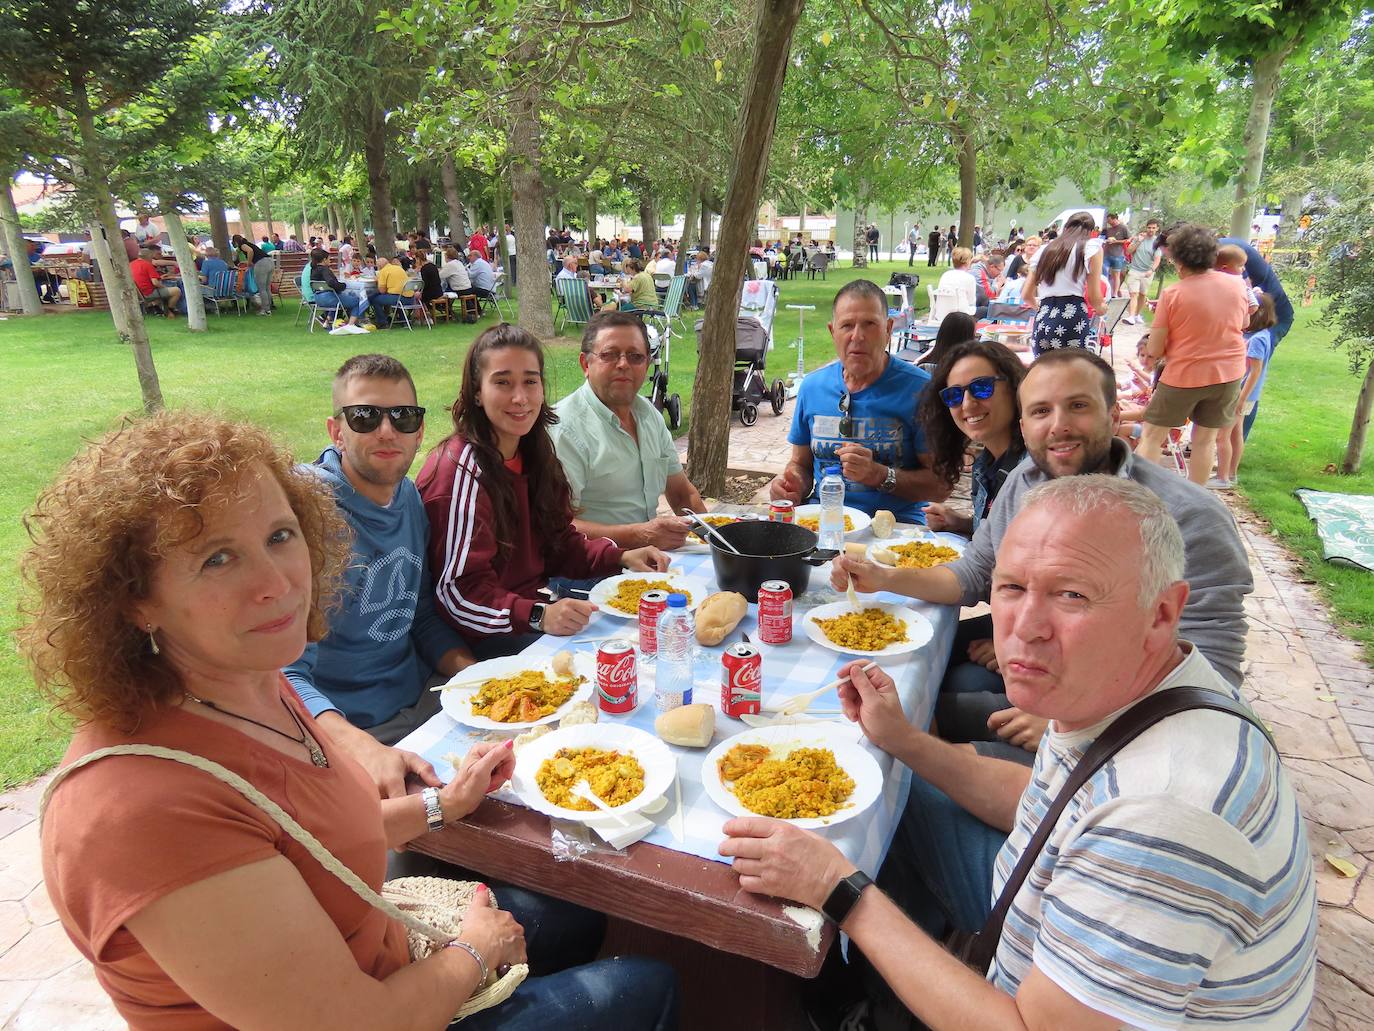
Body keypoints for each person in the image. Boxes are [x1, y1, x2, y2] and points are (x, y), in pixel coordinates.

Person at [25, 410, 680, 1031]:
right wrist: (474, 953)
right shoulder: (141, 811)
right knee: (651, 980)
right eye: (216, 557)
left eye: (280, 536)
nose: (278, 583)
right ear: (135, 600)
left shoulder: (248, 680)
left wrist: (443, 805)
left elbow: (312, 837)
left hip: (383, 952)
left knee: (577, 912)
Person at [725, 476, 1315, 1031]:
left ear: (1162, 612)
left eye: (1073, 594)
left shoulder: (1166, 817)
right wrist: (902, 740)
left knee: (862, 853)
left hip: (1031, 1010)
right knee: (901, 786)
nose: (1025, 626)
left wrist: (840, 890)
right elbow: (1047, 805)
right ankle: (883, 1002)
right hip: (1042, 924)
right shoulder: (1127, 685)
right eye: (1011, 587)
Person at [833, 348, 1253, 757]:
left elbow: (1211, 673)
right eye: (1040, 411)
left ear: (1114, 415)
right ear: (1024, 423)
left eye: (1077, 406)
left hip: (1125, 733)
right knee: (916, 675)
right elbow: (974, 574)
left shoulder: (1190, 516)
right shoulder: (1025, 481)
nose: (1059, 426)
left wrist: (1073, 723)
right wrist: (880, 576)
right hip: (1044, 675)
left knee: (917, 715)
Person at [418, 324, 670, 657]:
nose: (520, 397)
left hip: (530, 612)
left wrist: (620, 556)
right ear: (477, 391)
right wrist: (539, 615)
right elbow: (459, 595)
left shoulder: (533, 452)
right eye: (503, 382)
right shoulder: (462, 469)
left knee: (655, 637)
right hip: (480, 637)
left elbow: (558, 542)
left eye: (530, 382)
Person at [770, 280, 949, 524]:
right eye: (847, 325)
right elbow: (801, 463)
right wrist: (793, 485)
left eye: (869, 324)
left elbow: (941, 486)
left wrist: (879, 475)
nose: (858, 336)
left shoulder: (920, 389)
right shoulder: (812, 387)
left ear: (888, 329)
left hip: (893, 530)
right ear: (833, 332)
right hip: (821, 523)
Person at [551, 312, 708, 551]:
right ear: (585, 364)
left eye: (635, 357)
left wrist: (720, 543)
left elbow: (682, 495)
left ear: (646, 364)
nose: (623, 364)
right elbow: (556, 527)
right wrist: (640, 536)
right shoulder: (564, 429)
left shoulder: (649, 416)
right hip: (586, 572)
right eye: (610, 355)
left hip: (646, 560)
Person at [1136, 224, 1250, 487]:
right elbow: (1243, 322)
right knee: (1205, 440)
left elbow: (1155, 349)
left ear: (1177, 260)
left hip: (1184, 375)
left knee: (1152, 435)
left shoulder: (1173, 293)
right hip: (1229, 374)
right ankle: (1197, 500)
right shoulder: (1237, 285)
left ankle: (1144, 497)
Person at [917, 340, 1027, 538]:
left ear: (1013, 387)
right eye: (954, 395)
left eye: (982, 387)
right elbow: (995, 534)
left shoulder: (1031, 472)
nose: (967, 404)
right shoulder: (985, 465)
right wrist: (960, 523)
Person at [1213, 292, 1277, 489]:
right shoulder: (1260, 335)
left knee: (1222, 435)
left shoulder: (1257, 339)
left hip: (1240, 393)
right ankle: (1231, 474)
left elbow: (1254, 372)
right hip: (1245, 394)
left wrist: (1241, 398)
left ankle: (1223, 477)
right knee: (1235, 433)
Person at [1020, 211, 1104, 355]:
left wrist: (1040, 308)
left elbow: (1026, 295)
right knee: (1071, 372)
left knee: (1043, 369)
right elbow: (1094, 297)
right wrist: (1102, 308)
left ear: (1066, 228)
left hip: (1044, 315)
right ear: (1091, 231)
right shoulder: (1091, 248)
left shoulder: (1044, 250)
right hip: (1073, 315)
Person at [309, 247, 373, 329]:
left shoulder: (313, 270)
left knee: (342, 299)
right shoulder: (325, 270)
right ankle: (351, 325)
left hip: (318, 298)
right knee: (357, 301)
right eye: (329, 259)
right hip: (329, 298)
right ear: (324, 260)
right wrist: (343, 286)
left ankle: (327, 321)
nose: (330, 261)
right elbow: (331, 283)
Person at [1123, 217, 1161, 324]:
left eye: (1153, 228)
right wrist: (1138, 241)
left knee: (1143, 294)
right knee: (1133, 293)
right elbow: (1128, 251)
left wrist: (1152, 270)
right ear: (1146, 228)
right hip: (1134, 269)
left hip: (1147, 272)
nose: (1151, 230)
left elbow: (1157, 259)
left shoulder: (1157, 242)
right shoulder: (1139, 238)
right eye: (1149, 227)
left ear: (1157, 229)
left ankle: (1136, 314)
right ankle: (1131, 316)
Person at [128, 248, 181, 317]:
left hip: (138, 293)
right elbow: (155, 283)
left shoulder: (130, 264)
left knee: (160, 290)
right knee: (176, 291)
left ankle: (158, 309)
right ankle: (170, 310)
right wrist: (164, 287)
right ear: (149, 256)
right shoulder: (147, 265)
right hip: (148, 293)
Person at [232, 233, 275, 316]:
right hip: (269, 262)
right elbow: (254, 254)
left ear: (236, 242)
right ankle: (269, 307)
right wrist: (248, 261)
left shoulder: (243, 245)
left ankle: (265, 310)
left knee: (261, 288)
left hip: (261, 264)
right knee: (267, 288)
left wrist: (248, 263)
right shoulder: (250, 244)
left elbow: (250, 251)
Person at [371, 255, 415, 326]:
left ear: (379, 267)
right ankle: (403, 320)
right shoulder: (399, 268)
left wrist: (378, 280)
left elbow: (382, 291)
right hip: (411, 298)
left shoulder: (383, 271)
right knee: (395, 296)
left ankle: (382, 322)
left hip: (399, 299)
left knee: (375, 300)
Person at [935, 247, 977, 314]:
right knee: (984, 310)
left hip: (941, 313)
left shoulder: (945, 275)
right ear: (967, 261)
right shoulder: (969, 278)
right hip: (961, 315)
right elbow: (971, 301)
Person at [1100, 211, 1130, 296]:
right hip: (1107, 254)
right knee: (1104, 272)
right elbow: (1103, 239)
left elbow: (1128, 240)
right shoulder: (1108, 230)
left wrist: (1116, 241)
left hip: (1118, 255)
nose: (1108, 222)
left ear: (1115, 219)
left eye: (1110, 220)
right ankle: (1104, 291)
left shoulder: (1123, 228)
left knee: (1116, 274)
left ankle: (1115, 293)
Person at [970, 250, 1004, 318]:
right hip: (969, 308)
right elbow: (988, 294)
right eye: (999, 270)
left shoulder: (984, 271)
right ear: (992, 267)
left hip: (975, 304)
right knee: (995, 310)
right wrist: (998, 285)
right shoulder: (979, 271)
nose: (1000, 273)